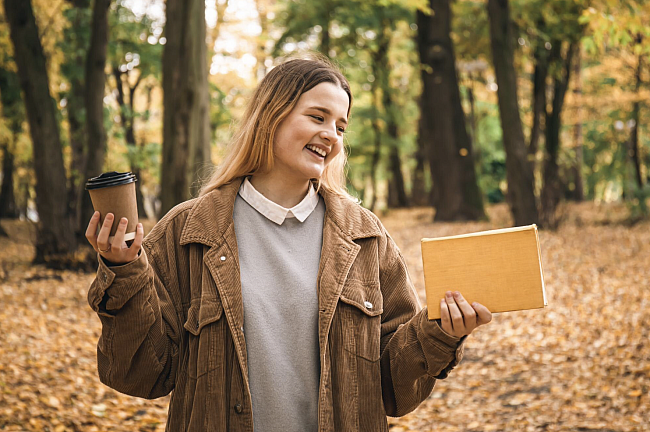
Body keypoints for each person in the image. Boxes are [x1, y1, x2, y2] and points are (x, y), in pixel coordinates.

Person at [85, 56, 492, 432]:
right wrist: (124, 271)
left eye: (340, 126)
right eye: (318, 116)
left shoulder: (366, 238)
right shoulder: (187, 230)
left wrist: (440, 333)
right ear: (271, 116)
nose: (331, 135)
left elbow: (392, 390)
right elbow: (141, 373)